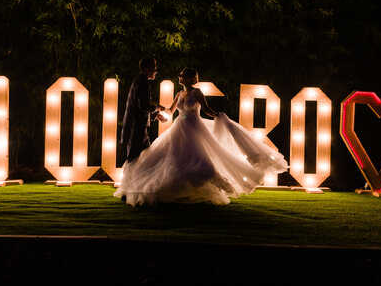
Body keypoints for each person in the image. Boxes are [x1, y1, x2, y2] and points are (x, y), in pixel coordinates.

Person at [114, 67, 288, 206]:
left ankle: (207, 185)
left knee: (197, 158)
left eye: (182, 75)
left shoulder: (196, 93)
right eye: (180, 75)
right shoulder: (179, 94)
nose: (180, 77)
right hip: (179, 128)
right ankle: (176, 190)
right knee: (172, 159)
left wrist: (217, 116)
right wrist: (159, 112)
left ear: (190, 78)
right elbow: (171, 111)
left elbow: (206, 109)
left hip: (194, 128)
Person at [121, 57, 165, 163]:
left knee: (143, 158)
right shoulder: (143, 82)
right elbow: (143, 105)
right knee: (135, 158)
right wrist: (157, 108)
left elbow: (138, 107)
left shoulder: (139, 80)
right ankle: (130, 178)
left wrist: (155, 116)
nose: (156, 71)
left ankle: (137, 178)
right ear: (147, 69)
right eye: (154, 68)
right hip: (136, 128)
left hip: (136, 127)